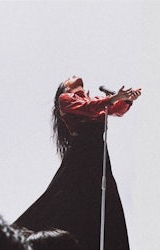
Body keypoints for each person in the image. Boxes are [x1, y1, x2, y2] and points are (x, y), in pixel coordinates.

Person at [13, 76, 141, 250]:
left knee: (105, 197)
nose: (74, 76)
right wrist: (114, 98)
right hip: (81, 152)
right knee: (63, 193)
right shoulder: (65, 99)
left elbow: (116, 110)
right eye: (70, 78)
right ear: (65, 87)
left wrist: (127, 100)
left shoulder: (95, 99)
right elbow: (89, 109)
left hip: (99, 154)